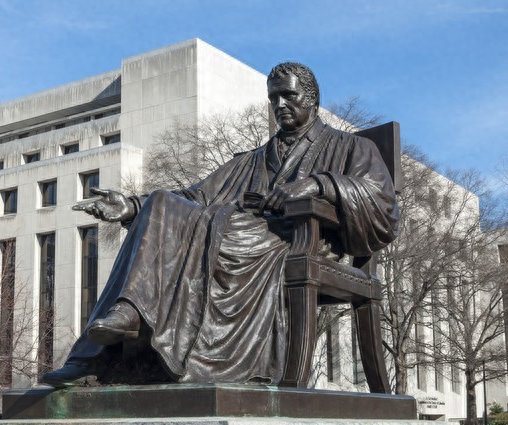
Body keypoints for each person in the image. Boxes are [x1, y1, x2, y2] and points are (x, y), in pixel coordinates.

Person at [41, 62, 399, 387]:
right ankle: (109, 338)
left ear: (313, 98)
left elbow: (381, 202)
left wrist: (318, 184)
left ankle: (148, 331)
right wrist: (133, 205)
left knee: (219, 232)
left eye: (288, 96)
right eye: (273, 98)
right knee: (163, 202)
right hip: (241, 231)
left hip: (298, 240)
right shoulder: (253, 159)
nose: (279, 105)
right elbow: (196, 195)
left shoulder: (353, 147)